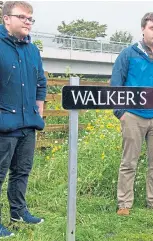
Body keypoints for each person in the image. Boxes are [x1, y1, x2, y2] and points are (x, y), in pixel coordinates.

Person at [111, 12, 153, 216]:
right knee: (128, 162)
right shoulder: (128, 54)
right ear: (143, 29)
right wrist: (120, 113)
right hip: (132, 115)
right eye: (152, 28)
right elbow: (116, 83)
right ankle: (124, 203)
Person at [0, 1, 47, 237]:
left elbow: (41, 82)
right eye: (23, 17)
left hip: (28, 124)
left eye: (31, 19)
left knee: (21, 172)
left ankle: (18, 212)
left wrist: (38, 109)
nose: (28, 22)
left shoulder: (32, 50)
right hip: (3, 125)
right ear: (7, 18)